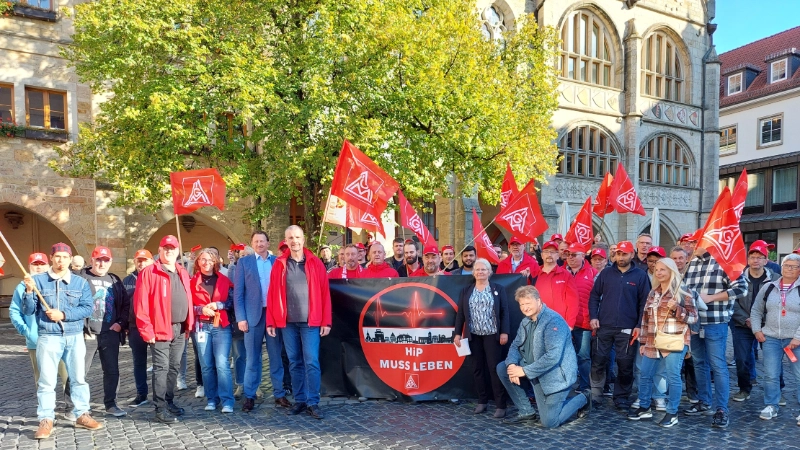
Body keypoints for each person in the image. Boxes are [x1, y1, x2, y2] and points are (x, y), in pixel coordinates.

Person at [22, 243, 103, 439]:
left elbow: (87, 309)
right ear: (51, 258)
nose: (61, 261)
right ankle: (46, 419)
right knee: (47, 382)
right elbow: (28, 310)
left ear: (69, 259)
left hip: (74, 336)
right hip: (48, 337)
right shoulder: (38, 281)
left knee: (78, 379)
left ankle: (82, 414)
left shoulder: (80, 283)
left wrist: (63, 314)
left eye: (65, 257)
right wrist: (29, 292)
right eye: (57, 256)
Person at [497, 286, 589, 427]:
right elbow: (515, 345)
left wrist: (523, 371)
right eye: (522, 304)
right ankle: (526, 412)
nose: (525, 308)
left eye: (528, 303)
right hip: (534, 370)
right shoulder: (525, 321)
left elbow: (553, 356)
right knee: (503, 368)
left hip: (554, 375)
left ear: (538, 301)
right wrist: (512, 365)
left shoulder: (553, 321)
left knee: (549, 422)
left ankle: (584, 397)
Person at [266, 225, 332, 419]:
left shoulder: (315, 263)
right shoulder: (279, 264)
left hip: (311, 322)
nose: (294, 241)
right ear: (286, 241)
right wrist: (271, 321)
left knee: (311, 361)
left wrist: (326, 321)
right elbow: (272, 295)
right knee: (294, 363)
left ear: (303, 240)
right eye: (290, 238)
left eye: (297, 237)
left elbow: (324, 293)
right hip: (287, 323)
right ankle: (301, 400)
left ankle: (313, 402)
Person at [682, 245, 748, 427]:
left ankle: (721, 409)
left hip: (716, 322)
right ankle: (704, 401)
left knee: (718, 365)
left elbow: (742, 288)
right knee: (699, 363)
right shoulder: (692, 263)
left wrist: (710, 297)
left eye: (695, 242)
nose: (690, 246)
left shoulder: (725, 262)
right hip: (694, 322)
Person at [628, 258, 697, 427]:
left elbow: (693, 317)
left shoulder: (683, 292)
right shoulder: (653, 293)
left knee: (673, 376)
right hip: (653, 339)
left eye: (663, 269)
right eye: (657, 269)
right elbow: (645, 319)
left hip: (675, 340)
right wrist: (643, 342)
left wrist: (677, 309)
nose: (659, 272)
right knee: (645, 374)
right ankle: (644, 407)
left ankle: (672, 412)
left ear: (671, 271)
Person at [134, 235, 194, 424]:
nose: (169, 251)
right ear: (159, 250)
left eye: (172, 248)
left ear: (178, 251)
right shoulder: (149, 272)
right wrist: (146, 329)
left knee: (174, 367)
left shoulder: (182, 271)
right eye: (165, 248)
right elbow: (141, 303)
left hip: (180, 328)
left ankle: (169, 401)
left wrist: (189, 324)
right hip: (160, 328)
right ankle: (159, 408)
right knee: (161, 368)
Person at [588, 241, 650, 409]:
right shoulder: (606, 274)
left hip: (628, 328)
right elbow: (594, 296)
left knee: (624, 364)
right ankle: (596, 395)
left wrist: (639, 325)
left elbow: (644, 303)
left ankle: (621, 397)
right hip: (604, 326)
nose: (620, 257)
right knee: (599, 360)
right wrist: (593, 316)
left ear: (632, 255)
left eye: (625, 254)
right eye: (618, 254)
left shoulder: (640, 275)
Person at [233, 231, 289, 411]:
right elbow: (238, 294)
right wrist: (241, 317)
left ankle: (279, 394)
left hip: (273, 316)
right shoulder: (244, 262)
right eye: (256, 241)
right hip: (252, 316)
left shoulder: (277, 262)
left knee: (275, 357)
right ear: (252, 243)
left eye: (262, 241)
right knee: (252, 358)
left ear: (267, 243)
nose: (259, 244)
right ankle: (249, 396)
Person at [77, 246, 129, 417]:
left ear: (110, 262)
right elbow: (72, 303)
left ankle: (111, 404)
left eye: (105, 260)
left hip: (110, 333)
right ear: (91, 260)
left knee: (112, 370)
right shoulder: (81, 278)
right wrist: (82, 326)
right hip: (88, 333)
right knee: (79, 371)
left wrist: (120, 323)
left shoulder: (115, 280)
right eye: (98, 259)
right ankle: (76, 406)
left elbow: (125, 305)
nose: (101, 263)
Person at [454, 258, 509, 418]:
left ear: (489, 272)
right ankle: (482, 401)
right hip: (474, 336)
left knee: (494, 369)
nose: (480, 272)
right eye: (477, 270)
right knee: (477, 369)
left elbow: (504, 312)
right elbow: (461, 314)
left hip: (493, 335)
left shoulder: (498, 289)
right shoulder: (466, 291)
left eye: (483, 269)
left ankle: (500, 404)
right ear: (473, 272)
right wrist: (457, 333)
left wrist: (504, 332)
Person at [751, 253, 800, 422]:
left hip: (795, 341)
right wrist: (757, 330)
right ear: (782, 267)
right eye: (787, 266)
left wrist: (798, 337)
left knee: (799, 375)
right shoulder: (769, 287)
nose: (790, 269)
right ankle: (771, 405)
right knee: (771, 374)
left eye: (794, 266)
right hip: (771, 339)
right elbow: (756, 309)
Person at [9, 253, 69, 393]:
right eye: (35, 264)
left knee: (68, 376)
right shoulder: (22, 287)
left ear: (48, 265)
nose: (38, 267)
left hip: (60, 337)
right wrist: (27, 331)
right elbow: (14, 311)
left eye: (42, 264)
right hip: (36, 341)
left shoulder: (57, 283)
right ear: (29, 267)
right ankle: (46, 410)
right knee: (43, 379)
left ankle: (70, 407)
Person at [731, 243, 778, 403]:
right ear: (748, 259)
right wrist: (746, 319)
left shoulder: (775, 280)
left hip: (768, 326)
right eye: (752, 257)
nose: (755, 260)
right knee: (742, 359)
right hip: (742, 324)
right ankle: (744, 389)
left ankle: (777, 391)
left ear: (766, 261)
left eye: (759, 257)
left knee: (774, 359)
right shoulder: (737, 277)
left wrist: (759, 321)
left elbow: (778, 303)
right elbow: (732, 301)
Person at [190, 248, 235, 413]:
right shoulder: (192, 282)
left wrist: (219, 305)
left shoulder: (224, 280)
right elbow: (188, 306)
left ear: (216, 261)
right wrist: (200, 309)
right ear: (198, 262)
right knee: (206, 365)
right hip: (201, 327)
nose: (206, 262)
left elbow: (232, 303)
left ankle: (227, 401)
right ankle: (211, 399)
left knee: (222, 364)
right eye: (203, 259)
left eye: (210, 259)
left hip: (221, 325)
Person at [564, 243, 598, 393]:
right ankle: (566, 385)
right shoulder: (561, 272)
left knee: (583, 356)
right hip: (564, 321)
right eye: (568, 255)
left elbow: (598, 297)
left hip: (584, 321)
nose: (570, 258)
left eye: (573, 255)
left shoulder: (593, 273)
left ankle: (585, 387)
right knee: (564, 356)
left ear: (583, 256)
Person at [123, 249, 154, 408]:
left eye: (145, 260)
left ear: (151, 261)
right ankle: (141, 394)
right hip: (135, 327)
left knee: (160, 363)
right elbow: (123, 304)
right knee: (139, 362)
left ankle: (159, 394)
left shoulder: (157, 277)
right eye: (138, 260)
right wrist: (125, 325)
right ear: (134, 262)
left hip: (154, 327)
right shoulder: (127, 280)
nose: (141, 263)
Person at [533, 241, 578, 328]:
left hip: (559, 323)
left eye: (553, 252)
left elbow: (573, 302)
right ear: (542, 255)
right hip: (538, 323)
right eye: (546, 251)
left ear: (558, 255)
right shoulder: (534, 274)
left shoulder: (566, 275)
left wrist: (570, 324)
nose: (549, 254)